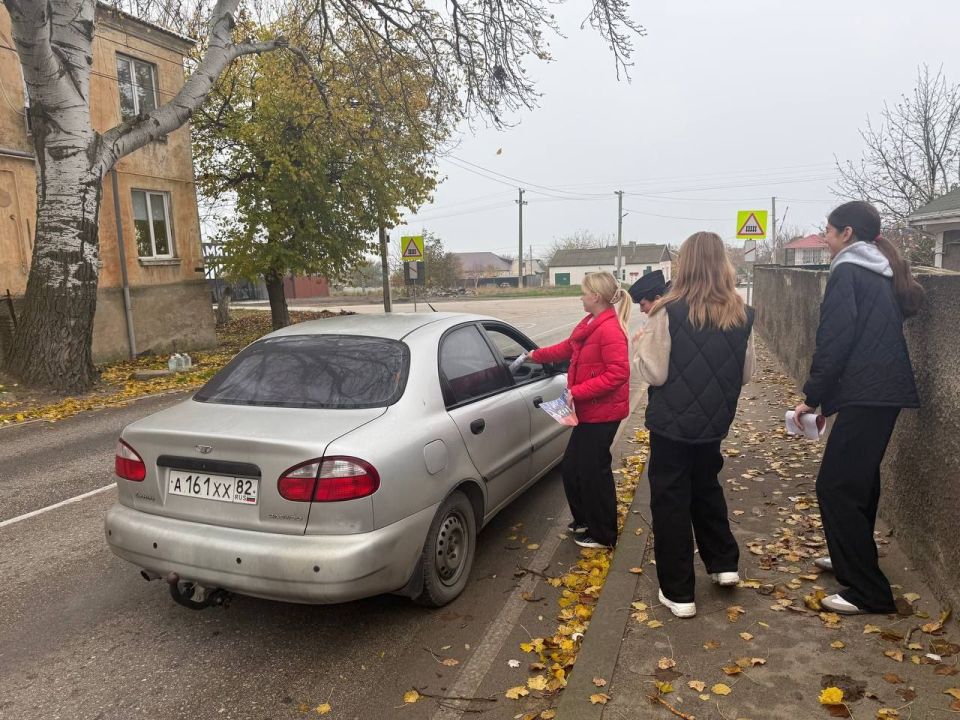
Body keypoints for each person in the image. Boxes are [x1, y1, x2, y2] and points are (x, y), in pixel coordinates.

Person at [794, 201, 923, 616]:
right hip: (879, 391)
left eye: (829, 233)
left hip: (869, 392)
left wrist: (812, 397)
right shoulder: (878, 269)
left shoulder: (848, 270)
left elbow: (835, 342)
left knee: (835, 486)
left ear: (847, 233)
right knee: (860, 482)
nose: (826, 240)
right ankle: (850, 555)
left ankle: (868, 591)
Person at [634, 231, 755, 618]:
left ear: (684, 264)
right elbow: (747, 373)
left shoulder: (668, 310)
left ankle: (679, 592)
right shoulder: (741, 312)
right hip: (714, 421)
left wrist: (638, 345)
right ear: (723, 263)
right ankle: (724, 564)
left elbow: (654, 373)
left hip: (672, 423)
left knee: (671, 501)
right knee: (706, 488)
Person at [527, 271, 632, 549]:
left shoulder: (609, 329)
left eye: (584, 292)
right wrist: (534, 355)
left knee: (593, 473)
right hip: (589, 412)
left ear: (596, 296)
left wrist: (576, 392)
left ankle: (603, 534)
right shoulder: (590, 322)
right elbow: (567, 348)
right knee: (573, 469)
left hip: (603, 414)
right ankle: (585, 520)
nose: (580, 297)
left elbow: (618, 373)